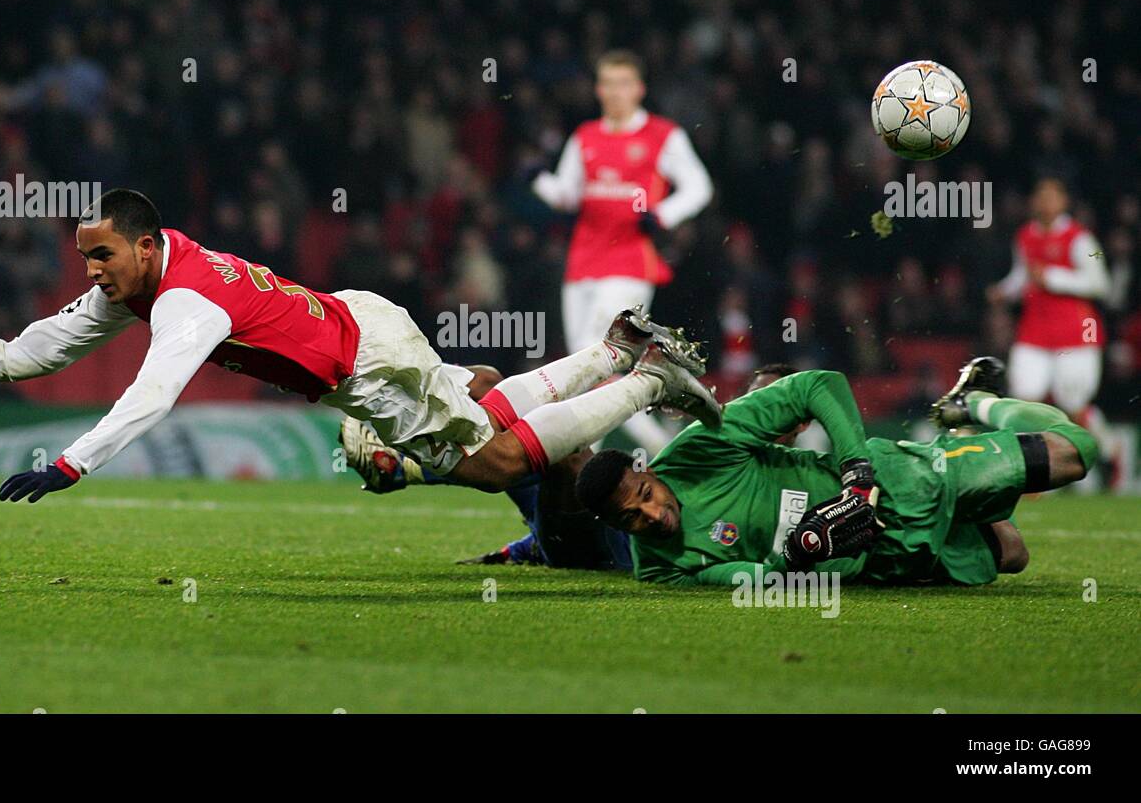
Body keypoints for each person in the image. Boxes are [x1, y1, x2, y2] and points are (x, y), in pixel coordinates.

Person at [0, 189, 720, 502]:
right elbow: (59, 337)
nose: (93, 272)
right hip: (360, 329)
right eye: (87, 258)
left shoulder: (184, 304)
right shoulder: (152, 271)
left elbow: (150, 394)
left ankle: (649, 378)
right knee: (478, 408)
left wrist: (71, 462)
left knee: (494, 465)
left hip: (364, 366)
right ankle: (615, 351)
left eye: (101, 255)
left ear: (142, 245)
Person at [573, 358, 1098, 586]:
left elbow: (819, 384)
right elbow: (754, 581)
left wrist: (858, 474)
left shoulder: (696, 450)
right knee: (1012, 553)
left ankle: (975, 401)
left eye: (645, 493)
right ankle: (966, 440)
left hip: (899, 482)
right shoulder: (659, 566)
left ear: (649, 471)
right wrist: (799, 552)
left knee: (1076, 452)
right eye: (633, 518)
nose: (652, 514)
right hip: (884, 559)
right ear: (619, 529)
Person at [344, 363, 800, 571]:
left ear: (794, 423)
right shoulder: (718, 448)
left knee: (567, 456)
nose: (760, 406)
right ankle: (390, 386)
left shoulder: (790, 476)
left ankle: (403, 470)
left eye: (772, 400)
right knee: (489, 383)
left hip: (576, 538)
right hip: (567, 506)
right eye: (756, 395)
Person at [533, 49, 712, 453]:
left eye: (624, 84)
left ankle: (588, 461)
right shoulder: (586, 137)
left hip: (631, 263)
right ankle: (663, 447)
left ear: (639, 89)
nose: (616, 92)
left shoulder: (663, 135)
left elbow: (699, 186)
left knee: (592, 360)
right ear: (598, 89)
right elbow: (568, 195)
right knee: (585, 368)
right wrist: (538, 181)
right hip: (583, 264)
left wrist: (663, 215)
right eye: (608, 84)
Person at [987, 176, 1114, 486]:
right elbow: (1022, 276)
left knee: (1074, 403)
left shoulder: (1082, 240)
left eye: (1051, 196)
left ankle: (1111, 452)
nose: (1044, 202)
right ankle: (1033, 475)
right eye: (1039, 195)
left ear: (1064, 201)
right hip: (1035, 328)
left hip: (1077, 329)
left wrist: (1054, 277)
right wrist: (1005, 290)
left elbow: (1100, 283)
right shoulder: (1025, 236)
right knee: (1025, 399)